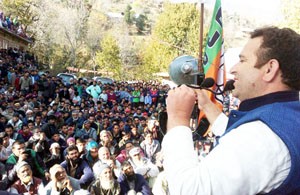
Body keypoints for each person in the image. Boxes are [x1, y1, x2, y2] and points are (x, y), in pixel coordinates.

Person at [162, 26, 300, 194]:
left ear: (269, 69)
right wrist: (206, 105)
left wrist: (178, 118)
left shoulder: (261, 135)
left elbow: (191, 190)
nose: (234, 68)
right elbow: (240, 136)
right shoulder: (285, 117)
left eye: (242, 60)